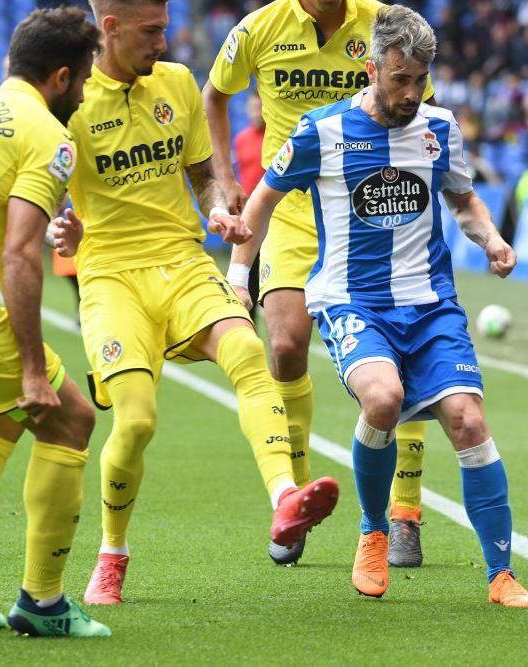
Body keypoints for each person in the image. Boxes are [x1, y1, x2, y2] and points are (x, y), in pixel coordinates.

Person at [234, 5, 528, 608]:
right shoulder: (321, 131)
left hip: (430, 304)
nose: (410, 92)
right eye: (399, 79)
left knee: (470, 423)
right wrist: (240, 274)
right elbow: (261, 202)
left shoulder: (440, 129)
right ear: (371, 67)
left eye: (420, 80)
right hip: (353, 301)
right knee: (383, 398)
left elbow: (465, 201)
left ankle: (500, 576)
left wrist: (493, 238)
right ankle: (374, 532)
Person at [68, 0, 339, 606]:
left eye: (165, 27)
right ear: (109, 29)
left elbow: (202, 175)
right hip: (112, 275)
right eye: (152, 31)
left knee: (248, 348)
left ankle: (283, 500)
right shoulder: (72, 100)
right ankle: (112, 553)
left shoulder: (178, 84)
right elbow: (45, 188)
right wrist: (63, 228)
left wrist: (218, 204)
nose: (165, 40)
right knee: (135, 420)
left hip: (185, 261)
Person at [203, 0, 435, 569]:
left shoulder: (383, 22)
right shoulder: (258, 28)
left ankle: (404, 513)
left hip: (372, 209)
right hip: (292, 212)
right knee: (282, 347)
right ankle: (297, 503)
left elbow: (421, 106)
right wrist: (225, 175)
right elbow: (214, 94)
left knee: (399, 362)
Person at [0, 7, 110, 637]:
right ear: (61, 77)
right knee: (69, 416)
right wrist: (33, 367)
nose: (85, 92)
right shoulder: (50, 136)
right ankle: (44, 601)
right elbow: (16, 254)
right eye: (84, 79)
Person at [233, 91, 266, 317]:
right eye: (252, 107)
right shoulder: (241, 139)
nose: (255, 112)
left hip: (274, 219)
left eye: (259, 107)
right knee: (247, 283)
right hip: (248, 220)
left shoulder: (275, 137)